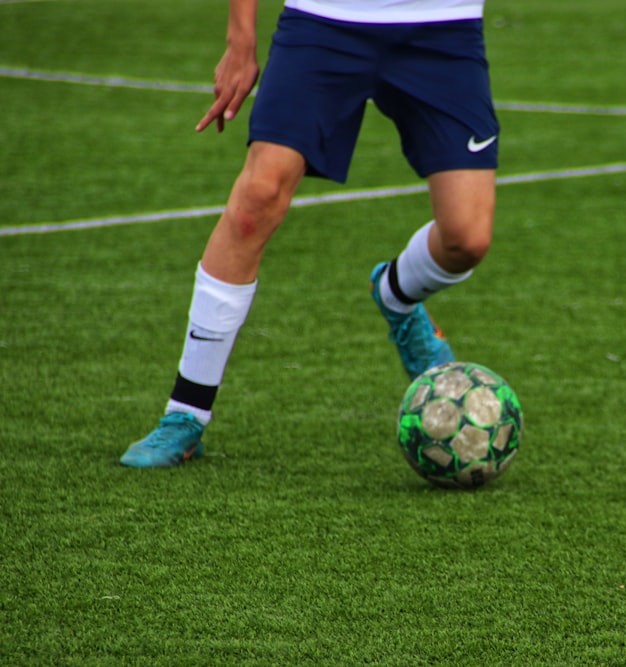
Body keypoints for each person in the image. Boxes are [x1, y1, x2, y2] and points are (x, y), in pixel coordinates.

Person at [119, 0, 500, 467]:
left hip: (444, 27)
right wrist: (240, 39)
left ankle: (397, 295)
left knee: (467, 238)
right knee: (255, 200)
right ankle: (185, 415)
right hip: (324, 21)